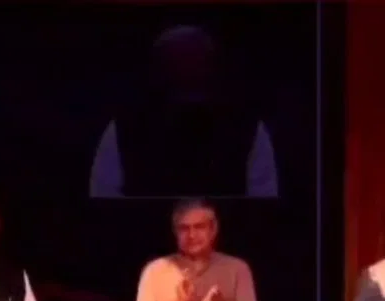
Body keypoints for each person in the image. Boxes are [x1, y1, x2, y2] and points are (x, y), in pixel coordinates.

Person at [90, 25, 277, 199]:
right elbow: (104, 195)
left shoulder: (246, 126)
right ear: (159, 72)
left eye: (195, 63)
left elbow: (264, 198)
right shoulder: (126, 127)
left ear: (212, 69)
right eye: (178, 64)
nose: (187, 72)